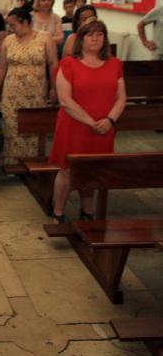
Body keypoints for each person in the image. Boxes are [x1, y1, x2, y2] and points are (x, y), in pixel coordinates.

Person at [48, 20, 126, 223]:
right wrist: (92, 122)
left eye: (100, 34)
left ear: (105, 38)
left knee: (93, 170)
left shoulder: (114, 64)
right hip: (75, 126)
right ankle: (58, 213)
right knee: (67, 170)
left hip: (105, 128)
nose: (95, 38)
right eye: (90, 34)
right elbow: (65, 100)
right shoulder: (69, 64)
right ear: (80, 39)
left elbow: (121, 98)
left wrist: (109, 120)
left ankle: (88, 212)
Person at [0, 8, 58, 166]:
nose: (10, 29)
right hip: (12, 93)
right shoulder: (8, 40)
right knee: (11, 127)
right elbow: (1, 67)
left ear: (25, 22)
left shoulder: (45, 39)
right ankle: (11, 163)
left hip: (35, 93)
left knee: (33, 128)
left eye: (13, 25)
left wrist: (54, 88)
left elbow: (53, 65)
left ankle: (32, 162)